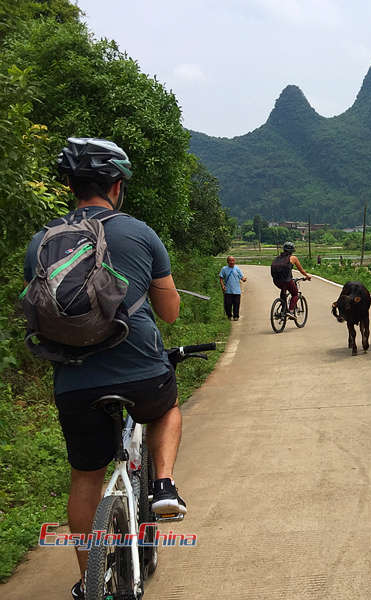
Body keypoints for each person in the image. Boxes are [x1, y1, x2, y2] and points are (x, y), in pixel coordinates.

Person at [23, 138, 185, 599]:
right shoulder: (139, 233)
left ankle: (88, 581)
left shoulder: (42, 242)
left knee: (86, 476)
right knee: (167, 408)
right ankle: (165, 484)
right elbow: (170, 312)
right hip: (140, 370)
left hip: (74, 379)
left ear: (70, 186)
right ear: (117, 186)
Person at [270, 241, 311, 316]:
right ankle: (291, 311)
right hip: (287, 281)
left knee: (283, 291)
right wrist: (307, 276)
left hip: (276, 281)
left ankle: (283, 309)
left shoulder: (278, 258)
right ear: (292, 251)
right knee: (295, 293)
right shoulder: (293, 258)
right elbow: (301, 270)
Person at [219, 255, 247, 320]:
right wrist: (222, 286)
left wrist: (244, 279)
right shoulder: (224, 269)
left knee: (236, 304)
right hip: (228, 290)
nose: (232, 262)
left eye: (233, 260)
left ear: (234, 261)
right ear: (227, 262)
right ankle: (229, 315)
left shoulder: (237, 269)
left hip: (237, 290)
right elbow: (221, 278)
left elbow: (242, 277)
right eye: (230, 260)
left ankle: (236, 316)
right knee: (228, 305)